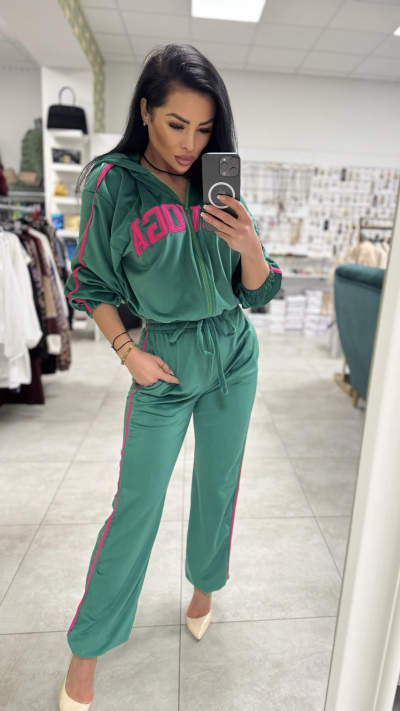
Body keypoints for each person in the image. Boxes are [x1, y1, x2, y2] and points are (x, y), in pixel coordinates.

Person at [58, 42, 282, 710]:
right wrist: (127, 349)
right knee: (136, 505)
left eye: (205, 128)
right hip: (163, 361)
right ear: (146, 111)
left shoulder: (217, 180)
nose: (190, 144)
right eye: (177, 123)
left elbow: (257, 291)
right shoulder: (113, 184)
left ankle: (204, 586)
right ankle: (86, 651)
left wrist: (250, 246)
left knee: (219, 481)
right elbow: (90, 282)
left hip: (233, 352)